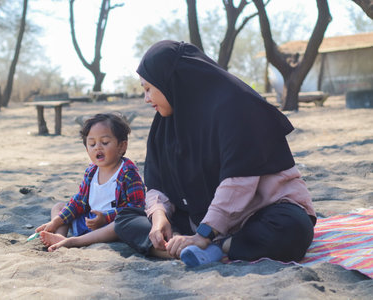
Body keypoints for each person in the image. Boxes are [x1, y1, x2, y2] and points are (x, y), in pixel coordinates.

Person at [114, 40, 316, 267]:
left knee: (292, 230)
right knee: (126, 218)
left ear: (171, 80)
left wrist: (204, 234)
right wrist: (159, 217)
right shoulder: (165, 125)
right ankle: (186, 249)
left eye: (149, 88)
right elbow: (157, 184)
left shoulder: (237, 107)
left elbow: (239, 183)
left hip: (256, 212)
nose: (146, 98)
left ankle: (213, 247)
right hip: (196, 216)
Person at [35, 113, 145, 252]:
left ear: (122, 146)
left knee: (120, 224)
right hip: (87, 222)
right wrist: (56, 221)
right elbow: (80, 201)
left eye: (104, 142)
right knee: (59, 207)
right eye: (92, 144)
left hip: (109, 227)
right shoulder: (91, 171)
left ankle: (73, 241)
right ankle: (59, 237)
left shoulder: (128, 173)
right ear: (87, 148)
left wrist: (106, 218)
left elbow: (136, 208)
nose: (97, 147)